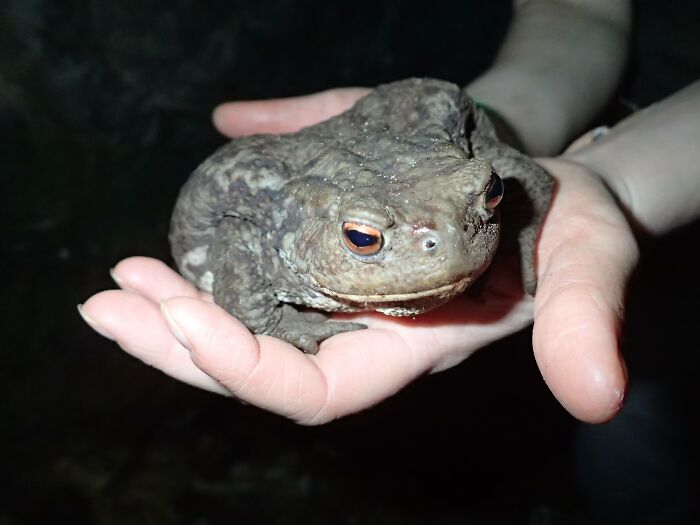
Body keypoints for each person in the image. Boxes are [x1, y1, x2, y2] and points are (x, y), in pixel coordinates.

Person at [78, 0, 700, 425]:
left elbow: (510, 170)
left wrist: (582, 191)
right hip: (300, 191)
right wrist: (274, 321)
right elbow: (578, 12)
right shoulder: (282, 221)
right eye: (365, 238)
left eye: (486, 200)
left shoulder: (470, 182)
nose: (440, 243)